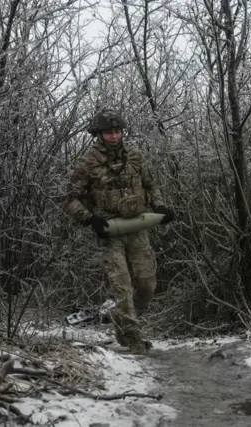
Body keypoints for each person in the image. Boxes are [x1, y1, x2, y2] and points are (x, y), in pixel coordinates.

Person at [63, 108, 175, 355]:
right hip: (110, 231)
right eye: (108, 132)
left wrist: (159, 206)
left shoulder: (135, 157)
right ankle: (133, 339)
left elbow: (150, 185)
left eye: (117, 131)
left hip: (137, 226)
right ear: (99, 134)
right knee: (122, 287)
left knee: (146, 285)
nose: (114, 136)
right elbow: (71, 199)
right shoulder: (88, 163)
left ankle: (117, 318)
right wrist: (90, 219)